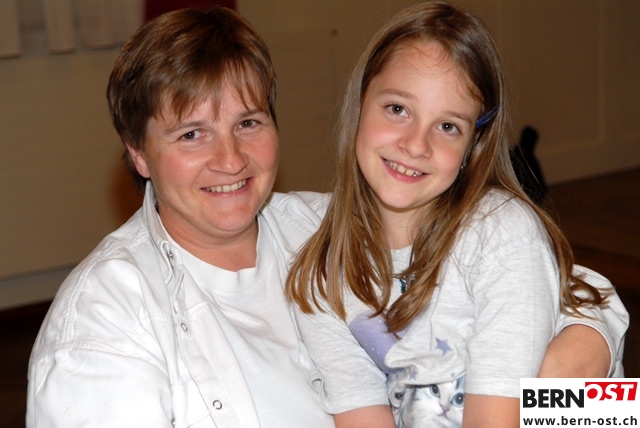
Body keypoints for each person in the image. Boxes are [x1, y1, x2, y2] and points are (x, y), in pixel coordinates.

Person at [26, 5, 626, 428]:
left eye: (248, 123)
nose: (229, 159)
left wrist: (581, 355)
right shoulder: (104, 326)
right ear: (138, 152)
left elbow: (571, 291)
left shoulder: (321, 227)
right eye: (191, 133)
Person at [285, 2, 627, 427]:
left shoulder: (500, 232)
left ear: (473, 145)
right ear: (359, 103)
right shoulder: (321, 272)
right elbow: (361, 413)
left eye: (448, 126)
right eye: (397, 109)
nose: (416, 144)